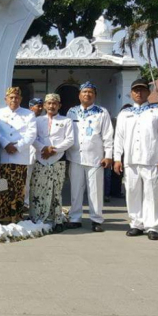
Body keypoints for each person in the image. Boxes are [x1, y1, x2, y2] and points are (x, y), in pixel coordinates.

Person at [113, 80, 158, 241]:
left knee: (152, 194)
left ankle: (153, 226)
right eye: (135, 90)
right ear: (131, 93)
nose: (139, 93)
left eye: (142, 90)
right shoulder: (125, 113)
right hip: (131, 160)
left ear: (148, 92)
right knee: (132, 192)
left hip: (152, 158)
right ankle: (136, 224)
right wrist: (117, 158)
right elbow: (119, 138)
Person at [66, 81, 114, 232]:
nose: (87, 94)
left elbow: (108, 135)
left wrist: (109, 156)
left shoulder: (102, 112)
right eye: (84, 92)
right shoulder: (72, 111)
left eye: (90, 92)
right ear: (79, 95)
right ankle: (75, 217)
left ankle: (96, 219)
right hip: (75, 157)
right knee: (76, 189)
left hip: (95, 158)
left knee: (95, 190)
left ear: (95, 95)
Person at [28, 94, 73, 232]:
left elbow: (70, 139)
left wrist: (54, 150)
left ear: (59, 105)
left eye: (55, 103)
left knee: (56, 191)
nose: (51, 106)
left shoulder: (66, 121)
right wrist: (43, 148)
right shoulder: (37, 120)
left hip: (57, 159)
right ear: (45, 105)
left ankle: (57, 220)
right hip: (40, 158)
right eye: (49, 103)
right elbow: (33, 137)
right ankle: (37, 218)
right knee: (37, 190)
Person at [0, 87, 37, 222]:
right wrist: (6, 144)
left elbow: (31, 134)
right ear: (6, 99)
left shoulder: (28, 114)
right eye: (11, 97)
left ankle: (16, 216)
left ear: (21, 99)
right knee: (2, 187)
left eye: (16, 97)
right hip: (3, 154)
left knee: (18, 188)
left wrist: (17, 147)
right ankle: (1, 216)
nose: (14, 100)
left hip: (20, 156)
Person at [25, 97, 44, 209]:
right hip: (28, 154)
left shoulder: (43, 120)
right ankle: (26, 203)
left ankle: (35, 203)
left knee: (37, 181)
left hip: (40, 155)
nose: (40, 108)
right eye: (38, 106)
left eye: (41, 106)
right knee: (27, 180)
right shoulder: (26, 118)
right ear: (31, 107)